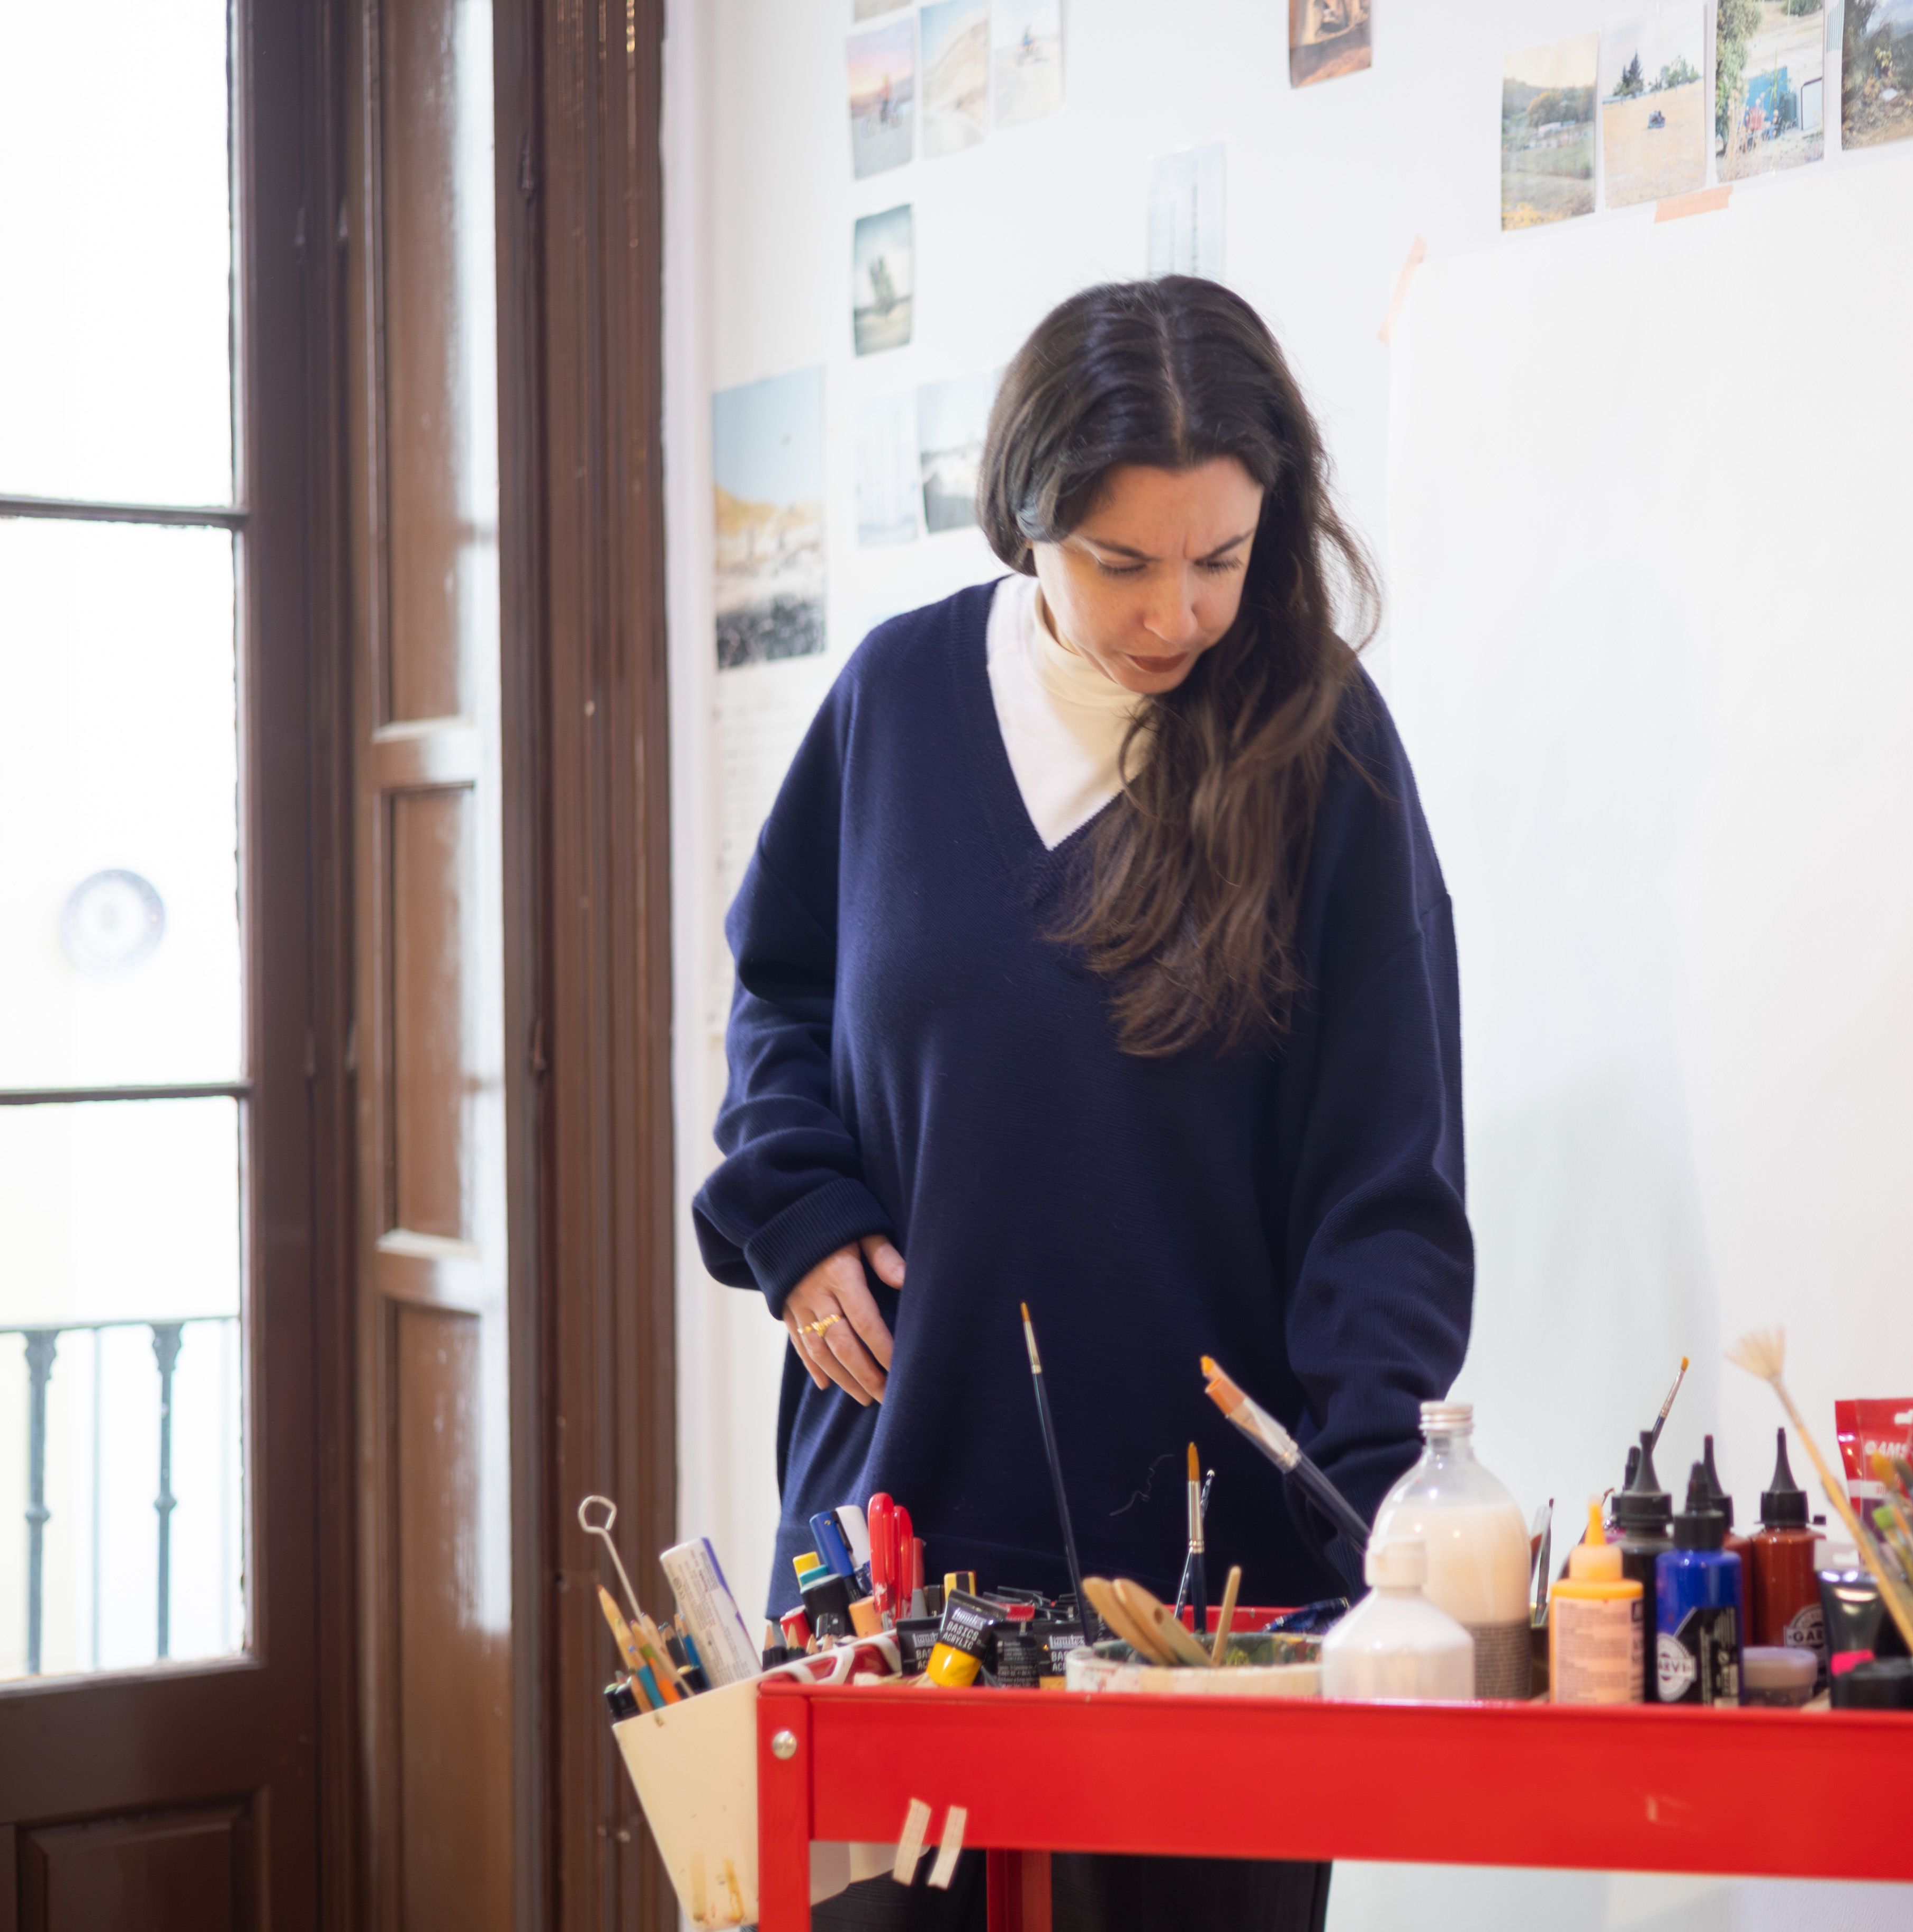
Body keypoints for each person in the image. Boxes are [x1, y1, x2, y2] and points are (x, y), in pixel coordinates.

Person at [694, 277, 1474, 1930]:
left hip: (1208, 1589)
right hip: (897, 1528)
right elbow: (782, 994)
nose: (1176, 614)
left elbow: (1383, 1184)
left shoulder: (1321, 748)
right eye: (1122, 562)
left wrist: (1364, 1534)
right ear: (1025, 518)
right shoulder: (895, 702)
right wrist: (801, 1210)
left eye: (1222, 558)